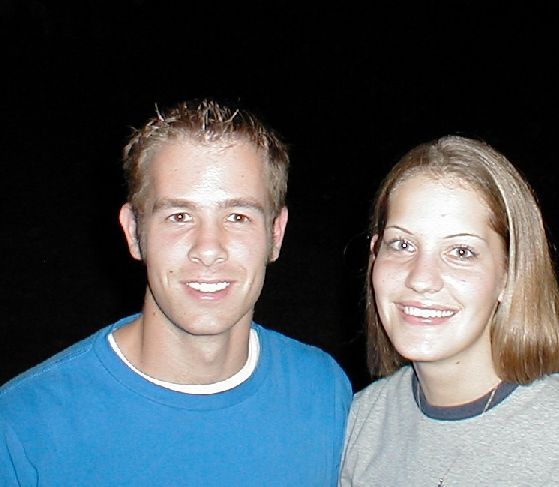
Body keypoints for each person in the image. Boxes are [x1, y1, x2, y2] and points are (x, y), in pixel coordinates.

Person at [0, 99, 352, 486]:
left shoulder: (323, 390)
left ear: (276, 233)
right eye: (179, 216)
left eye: (238, 217)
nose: (208, 248)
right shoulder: (23, 427)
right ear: (134, 232)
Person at [339, 135, 559, 486]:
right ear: (375, 255)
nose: (421, 279)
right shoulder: (359, 423)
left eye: (461, 252)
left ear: (509, 273)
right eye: (402, 244)